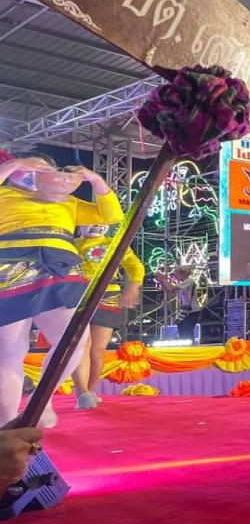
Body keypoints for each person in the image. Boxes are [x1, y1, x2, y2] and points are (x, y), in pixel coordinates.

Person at [0, 151, 123, 427]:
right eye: (32, 168)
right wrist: (15, 164)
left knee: (74, 340)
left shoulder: (70, 202)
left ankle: (40, 402)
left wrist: (95, 180)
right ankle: (6, 428)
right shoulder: (4, 194)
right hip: (9, 267)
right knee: (9, 352)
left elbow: (112, 216)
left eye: (47, 169)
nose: (39, 173)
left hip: (61, 269)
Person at [70, 224, 144, 409]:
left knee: (97, 350)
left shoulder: (115, 243)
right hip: (77, 296)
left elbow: (135, 266)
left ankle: (90, 390)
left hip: (108, 296)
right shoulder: (69, 244)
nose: (97, 224)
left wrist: (133, 286)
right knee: (80, 345)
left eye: (102, 221)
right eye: (91, 220)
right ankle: (82, 393)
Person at [153, 265, 203, 338]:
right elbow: (168, 291)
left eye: (177, 273)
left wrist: (163, 279)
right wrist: (161, 281)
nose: (175, 275)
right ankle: (185, 342)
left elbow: (172, 288)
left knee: (187, 329)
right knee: (181, 328)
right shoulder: (182, 283)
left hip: (191, 311)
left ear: (183, 273)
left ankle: (190, 343)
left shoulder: (189, 281)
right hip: (185, 311)